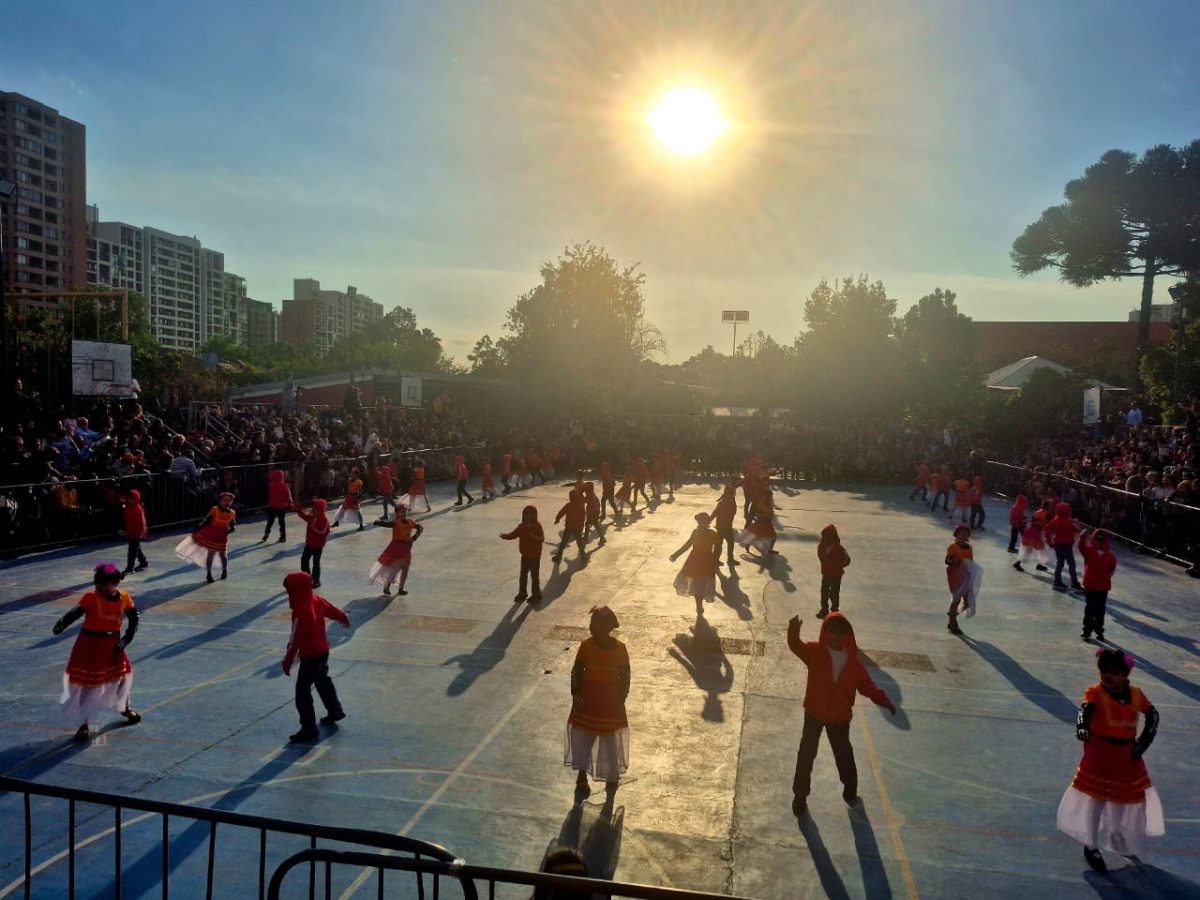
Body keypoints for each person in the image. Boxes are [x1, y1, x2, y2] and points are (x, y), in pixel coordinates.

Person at [1057, 649, 1162, 872]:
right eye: (1103, 671)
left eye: (1113, 672)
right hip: (1100, 754)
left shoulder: (1136, 694)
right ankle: (1091, 844)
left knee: (1122, 798)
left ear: (1124, 675)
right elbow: (1084, 711)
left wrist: (1143, 742)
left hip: (1126, 755)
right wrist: (1082, 727)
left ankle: (1116, 832)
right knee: (1097, 799)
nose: (1107, 676)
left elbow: (1152, 715)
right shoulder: (1095, 693)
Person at [786, 612, 897, 816]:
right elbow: (796, 646)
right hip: (814, 713)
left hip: (839, 717)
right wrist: (793, 632)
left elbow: (868, 687)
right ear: (825, 632)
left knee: (843, 752)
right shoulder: (815, 652)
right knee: (806, 753)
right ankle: (800, 795)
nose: (836, 636)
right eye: (832, 631)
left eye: (841, 632)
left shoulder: (854, 664)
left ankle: (850, 783)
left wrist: (884, 701)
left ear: (848, 634)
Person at [52, 563, 141, 742]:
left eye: (102, 583)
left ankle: (124, 707)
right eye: (97, 583)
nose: (98, 587)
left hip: (113, 645)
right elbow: (76, 612)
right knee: (87, 683)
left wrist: (128, 636)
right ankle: (83, 724)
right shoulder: (91, 598)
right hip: (89, 645)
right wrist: (63, 622)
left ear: (115, 583)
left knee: (123, 677)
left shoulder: (124, 597)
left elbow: (134, 616)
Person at [565, 606, 630, 802]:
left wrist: (620, 699)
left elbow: (625, 677)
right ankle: (583, 777)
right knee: (587, 739)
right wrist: (576, 694)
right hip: (590, 699)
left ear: (607, 628)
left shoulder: (619, 649)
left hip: (608, 700)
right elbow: (577, 671)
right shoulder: (587, 646)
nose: (593, 629)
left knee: (608, 740)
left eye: (597, 626)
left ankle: (611, 775)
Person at [281, 571, 350, 743]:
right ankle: (335, 709)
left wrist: (287, 661)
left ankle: (308, 727)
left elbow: (295, 640)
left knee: (302, 691)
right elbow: (332, 610)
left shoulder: (300, 611)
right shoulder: (315, 599)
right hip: (322, 650)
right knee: (322, 680)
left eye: (290, 590)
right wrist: (343, 617)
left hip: (310, 655)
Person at [175, 491, 237, 583]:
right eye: (224, 500)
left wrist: (231, 530)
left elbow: (232, 525)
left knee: (223, 555)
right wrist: (198, 528)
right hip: (212, 534)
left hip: (222, 536)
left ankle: (224, 569)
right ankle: (209, 573)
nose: (226, 502)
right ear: (220, 501)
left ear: (231, 502)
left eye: (229, 501)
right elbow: (206, 520)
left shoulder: (232, 512)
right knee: (210, 554)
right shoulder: (215, 509)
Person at [670, 512, 721, 615]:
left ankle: (699, 604)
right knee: (698, 583)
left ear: (707, 522)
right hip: (696, 560)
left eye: (703, 522)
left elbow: (718, 547)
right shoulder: (697, 532)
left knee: (701, 583)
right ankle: (699, 604)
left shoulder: (712, 534)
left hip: (703, 560)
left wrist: (715, 559)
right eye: (700, 522)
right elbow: (688, 544)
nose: (701, 524)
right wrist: (676, 554)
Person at [368, 505, 423, 596]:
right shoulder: (396, 522)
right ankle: (387, 587)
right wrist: (379, 523)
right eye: (401, 512)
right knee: (394, 568)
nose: (404, 513)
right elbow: (388, 524)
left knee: (405, 568)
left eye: (405, 511)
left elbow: (420, 528)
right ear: (396, 513)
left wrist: (414, 537)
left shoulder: (410, 522)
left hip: (406, 548)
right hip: (396, 547)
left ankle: (401, 588)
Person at [1079, 529, 1117, 642]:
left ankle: (1099, 631)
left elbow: (1112, 568)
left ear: (1105, 541)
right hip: (1090, 585)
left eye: (1102, 540)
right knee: (1090, 608)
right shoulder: (1089, 551)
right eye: (1097, 540)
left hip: (1103, 587)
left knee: (1100, 610)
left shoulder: (1110, 556)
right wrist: (1082, 537)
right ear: (1093, 540)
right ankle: (1087, 630)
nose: (1099, 542)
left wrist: (1106, 576)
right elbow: (1081, 547)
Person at [501, 504, 545, 603]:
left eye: (530, 514)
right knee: (523, 575)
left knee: (534, 577)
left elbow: (541, 539)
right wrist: (506, 536)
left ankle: (536, 594)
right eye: (526, 514)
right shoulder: (522, 526)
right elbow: (514, 534)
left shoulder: (537, 526)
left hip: (535, 556)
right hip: (525, 555)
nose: (527, 516)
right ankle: (522, 593)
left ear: (534, 515)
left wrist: (531, 535)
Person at [945, 524, 980, 634]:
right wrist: (954, 562)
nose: (963, 536)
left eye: (965, 534)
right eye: (961, 534)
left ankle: (952, 614)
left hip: (967, 577)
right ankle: (952, 623)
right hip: (955, 576)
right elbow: (947, 561)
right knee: (956, 599)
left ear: (968, 536)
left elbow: (971, 561)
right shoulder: (953, 547)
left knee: (967, 602)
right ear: (956, 535)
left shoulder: (969, 548)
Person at [1046, 502, 1083, 592]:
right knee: (1071, 564)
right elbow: (1078, 530)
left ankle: (1057, 582)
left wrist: (1049, 541)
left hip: (1058, 544)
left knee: (1060, 563)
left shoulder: (1055, 520)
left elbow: (1047, 529)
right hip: (1067, 545)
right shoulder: (1069, 521)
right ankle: (1074, 583)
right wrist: (1077, 523)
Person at [816, 524, 850, 619]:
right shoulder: (823, 546)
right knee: (826, 592)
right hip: (829, 573)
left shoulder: (838, 548)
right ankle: (826, 609)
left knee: (833, 592)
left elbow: (846, 560)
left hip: (835, 574)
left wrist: (836, 565)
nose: (827, 538)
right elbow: (821, 557)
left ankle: (833, 610)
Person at [295, 499, 330, 588]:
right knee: (304, 560)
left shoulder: (324, 520)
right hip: (310, 544)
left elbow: (324, 532)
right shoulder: (311, 517)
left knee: (316, 563)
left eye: (315, 507)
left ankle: (316, 580)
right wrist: (298, 508)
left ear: (319, 509)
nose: (313, 508)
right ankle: (307, 578)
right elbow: (303, 515)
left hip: (318, 545)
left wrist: (315, 529)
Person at [738, 490, 777, 559]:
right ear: (764, 496)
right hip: (761, 523)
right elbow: (759, 513)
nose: (769, 498)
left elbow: (769, 512)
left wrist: (770, 516)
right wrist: (762, 517)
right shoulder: (761, 503)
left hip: (767, 523)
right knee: (753, 535)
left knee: (773, 537)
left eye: (770, 496)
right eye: (767, 496)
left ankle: (770, 549)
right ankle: (747, 544)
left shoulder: (769, 503)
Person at [553, 487, 587, 563]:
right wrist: (582, 526)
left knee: (564, 542)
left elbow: (561, 512)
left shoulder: (569, 505)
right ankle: (583, 556)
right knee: (579, 542)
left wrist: (557, 519)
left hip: (569, 526)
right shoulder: (580, 506)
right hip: (577, 527)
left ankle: (559, 556)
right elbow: (583, 517)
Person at [710, 482, 740, 567]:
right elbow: (716, 512)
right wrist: (710, 519)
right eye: (733, 493)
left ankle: (717, 559)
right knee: (724, 542)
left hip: (724, 525)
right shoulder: (727, 502)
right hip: (724, 526)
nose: (734, 494)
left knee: (721, 543)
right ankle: (726, 559)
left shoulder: (725, 502)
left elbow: (715, 512)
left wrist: (710, 519)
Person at [120, 489, 149, 575]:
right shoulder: (127, 508)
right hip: (130, 531)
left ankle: (130, 567)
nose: (127, 500)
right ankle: (143, 562)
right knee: (136, 548)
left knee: (132, 551)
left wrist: (141, 533)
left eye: (129, 498)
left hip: (137, 533)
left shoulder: (138, 509)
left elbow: (142, 523)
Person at [262, 470, 293, 543]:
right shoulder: (285, 485)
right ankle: (283, 536)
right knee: (281, 521)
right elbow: (288, 495)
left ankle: (266, 533)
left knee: (270, 521)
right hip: (282, 506)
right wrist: (290, 504)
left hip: (272, 505)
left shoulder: (270, 485)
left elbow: (267, 494)